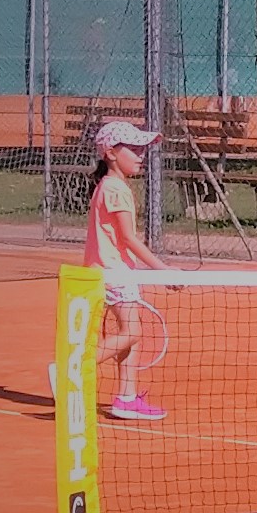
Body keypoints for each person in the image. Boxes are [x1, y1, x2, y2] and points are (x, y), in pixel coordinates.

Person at [51, 120, 172, 421]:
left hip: (109, 271)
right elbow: (129, 239)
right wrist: (164, 271)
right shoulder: (116, 189)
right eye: (133, 149)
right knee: (132, 332)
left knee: (130, 333)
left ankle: (126, 398)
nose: (141, 155)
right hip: (114, 273)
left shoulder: (108, 186)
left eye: (142, 149)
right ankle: (70, 370)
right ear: (110, 153)